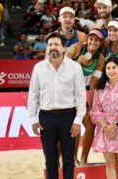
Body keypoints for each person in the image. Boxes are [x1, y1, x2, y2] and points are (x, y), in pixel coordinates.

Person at [28, 32, 86, 179]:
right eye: (50, 45)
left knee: (68, 159)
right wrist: (33, 119)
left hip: (68, 116)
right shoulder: (38, 68)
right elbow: (33, 95)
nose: (53, 47)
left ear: (64, 48)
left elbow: (80, 96)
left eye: (56, 44)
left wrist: (78, 120)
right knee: (50, 159)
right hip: (46, 117)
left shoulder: (75, 68)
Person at [66, 28, 106, 165]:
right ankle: (72, 159)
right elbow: (61, 71)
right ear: (87, 39)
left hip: (81, 93)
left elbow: (94, 84)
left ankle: (83, 160)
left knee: (90, 123)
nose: (93, 42)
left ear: (100, 43)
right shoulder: (75, 48)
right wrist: (78, 64)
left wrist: (93, 107)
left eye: (97, 40)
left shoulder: (100, 59)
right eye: (91, 39)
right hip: (65, 92)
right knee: (72, 125)